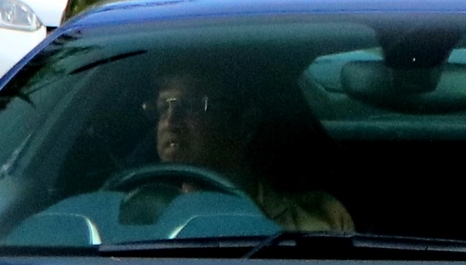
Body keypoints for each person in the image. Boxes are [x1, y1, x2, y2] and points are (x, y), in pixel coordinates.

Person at [144, 67, 353, 233]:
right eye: (164, 107)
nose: (170, 121)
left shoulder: (319, 217)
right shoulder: (134, 218)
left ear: (246, 124)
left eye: (190, 106)